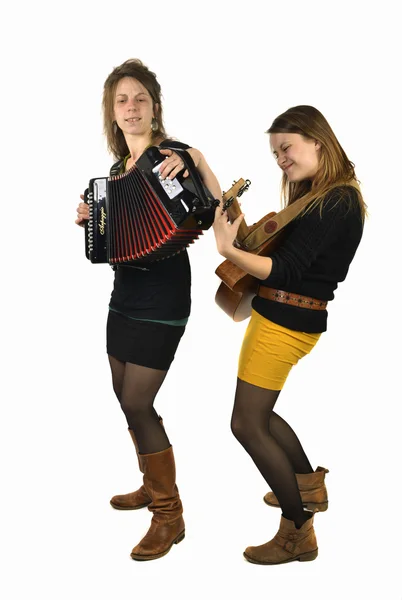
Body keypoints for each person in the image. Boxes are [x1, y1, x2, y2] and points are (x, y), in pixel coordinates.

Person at [75, 58, 221, 561]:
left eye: (140, 98)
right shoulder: (116, 173)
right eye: (122, 100)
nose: (131, 107)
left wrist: (198, 162)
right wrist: (91, 219)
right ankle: (150, 480)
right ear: (112, 114)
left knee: (138, 401)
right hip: (124, 295)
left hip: (164, 295)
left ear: (155, 107)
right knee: (123, 394)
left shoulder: (173, 155)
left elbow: (219, 208)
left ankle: (169, 513)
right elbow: (111, 241)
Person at [212, 105, 367, 565]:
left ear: (318, 140)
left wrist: (225, 249)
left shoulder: (337, 200)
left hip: (285, 324)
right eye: (275, 152)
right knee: (259, 415)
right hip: (278, 317)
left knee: (246, 424)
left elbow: (285, 268)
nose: (281, 158)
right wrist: (244, 237)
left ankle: (297, 532)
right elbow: (286, 257)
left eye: (287, 147)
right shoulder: (317, 196)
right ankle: (306, 488)